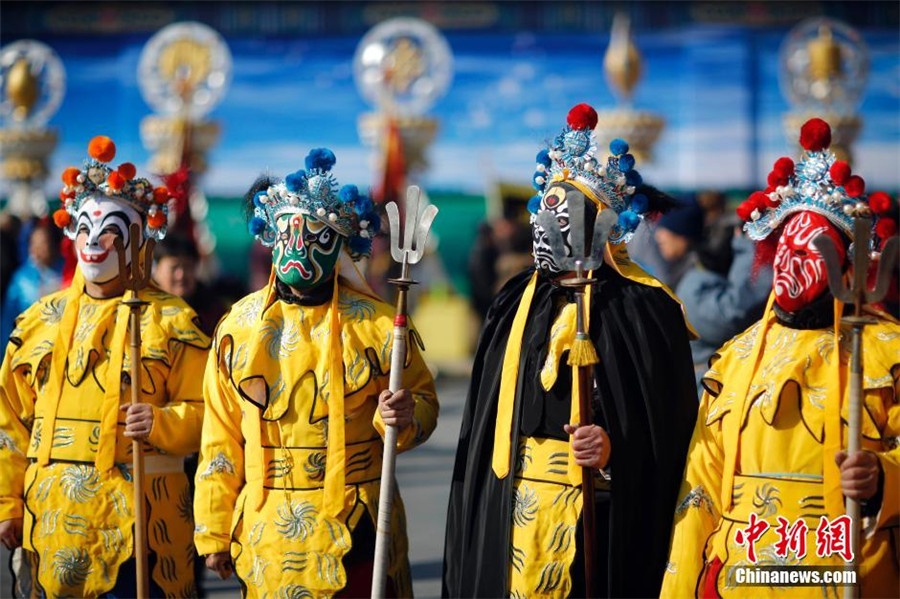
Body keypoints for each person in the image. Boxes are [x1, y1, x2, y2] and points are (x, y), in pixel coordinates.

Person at [442, 104, 698, 598]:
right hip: (511, 508)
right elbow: (484, 423)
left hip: (596, 517)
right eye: (542, 208)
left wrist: (612, 450)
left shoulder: (644, 309)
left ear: (599, 225)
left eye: (561, 214)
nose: (542, 224)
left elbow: (668, 433)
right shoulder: (514, 301)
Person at [662, 118, 900, 598]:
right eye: (786, 248)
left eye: (814, 250)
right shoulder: (734, 358)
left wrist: (882, 477)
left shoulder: (885, 352)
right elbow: (700, 486)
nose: (795, 263)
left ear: (847, 258)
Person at [193, 148, 439, 598]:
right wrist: (213, 528)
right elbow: (221, 435)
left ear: (340, 247)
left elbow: (423, 405)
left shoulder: (380, 325)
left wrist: (402, 416)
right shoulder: (238, 328)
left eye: (317, 239)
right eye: (289, 235)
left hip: (356, 521)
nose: (299, 248)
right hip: (265, 526)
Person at [0, 136, 210, 597]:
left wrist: (161, 422)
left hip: (139, 523)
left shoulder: (171, 320)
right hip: (50, 522)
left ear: (137, 239)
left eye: (112, 228)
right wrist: (7, 502)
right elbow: (10, 422)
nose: (96, 239)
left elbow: (212, 414)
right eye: (86, 226)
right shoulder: (38, 321)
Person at [1, 219, 64, 349]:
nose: (37, 249)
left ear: (54, 244)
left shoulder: (68, 273)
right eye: (34, 243)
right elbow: (9, 317)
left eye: (43, 243)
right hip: (30, 345)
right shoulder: (22, 278)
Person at [154, 233, 227, 337]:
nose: (181, 275)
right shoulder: (144, 309)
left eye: (187, 266)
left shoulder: (212, 311)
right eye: (174, 268)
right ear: (156, 270)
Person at [652, 197, 704, 289]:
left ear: (683, 234)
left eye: (666, 228)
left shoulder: (697, 279)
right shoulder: (678, 270)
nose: (658, 236)